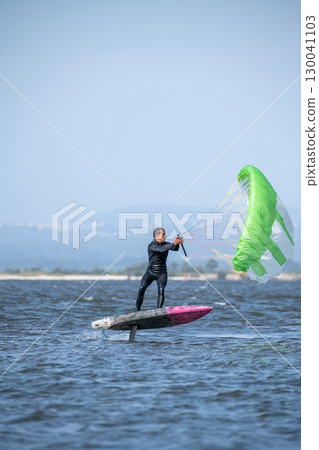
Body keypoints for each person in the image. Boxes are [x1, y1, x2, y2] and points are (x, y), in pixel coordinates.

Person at [136, 228, 184, 311]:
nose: (165, 236)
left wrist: (177, 243)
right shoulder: (151, 245)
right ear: (157, 236)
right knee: (141, 288)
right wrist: (174, 243)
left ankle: (158, 311)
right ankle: (137, 310)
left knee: (161, 290)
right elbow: (161, 250)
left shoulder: (166, 244)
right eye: (163, 234)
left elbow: (175, 249)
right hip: (150, 272)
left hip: (162, 273)